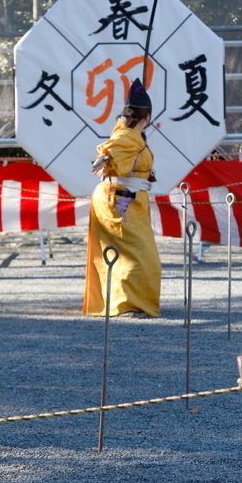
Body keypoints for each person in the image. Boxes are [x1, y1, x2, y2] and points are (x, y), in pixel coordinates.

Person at [83, 80, 161, 318]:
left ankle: (125, 302)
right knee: (136, 255)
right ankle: (126, 304)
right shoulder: (126, 136)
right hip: (118, 200)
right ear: (146, 115)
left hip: (132, 199)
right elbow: (110, 151)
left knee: (134, 254)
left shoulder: (133, 135)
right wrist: (105, 160)